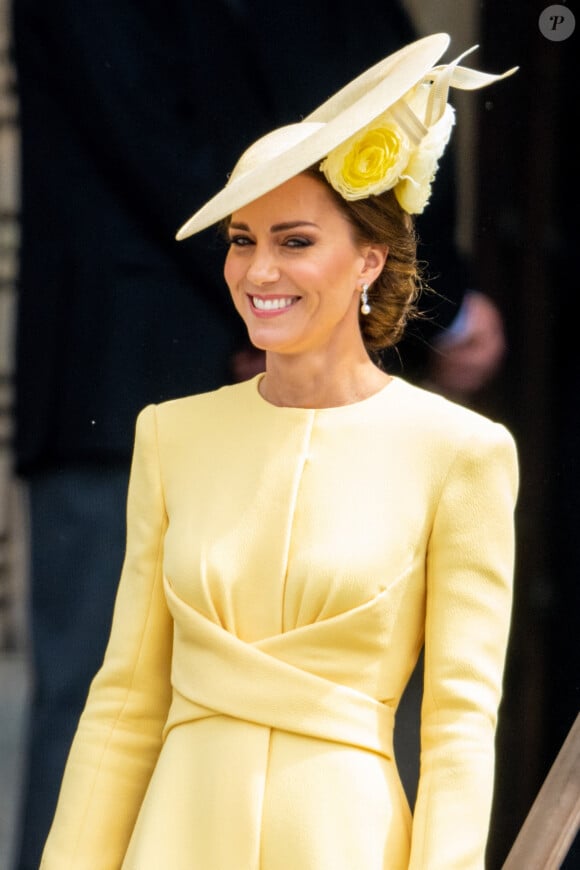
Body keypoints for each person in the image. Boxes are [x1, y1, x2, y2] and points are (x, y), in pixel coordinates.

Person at [11, 5, 509, 867]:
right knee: (85, 696)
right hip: (121, 367)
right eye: (241, 239)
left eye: (292, 239)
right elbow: (120, 711)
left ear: (369, 258)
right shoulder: (170, 435)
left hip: (344, 833)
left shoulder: (460, 454)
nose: (258, 266)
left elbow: (461, 731)